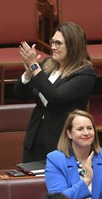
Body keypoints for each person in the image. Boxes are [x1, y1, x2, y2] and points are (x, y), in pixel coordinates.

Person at [15, 21, 96, 163]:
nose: (53, 47)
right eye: (52, 42)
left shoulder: (85, 74)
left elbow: (55, 96)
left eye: (58, 43)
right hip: (35, 138)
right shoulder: (46, 65)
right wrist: (28, 74)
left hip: (61, 141)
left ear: (72, 46)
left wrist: (34, 66)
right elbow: (19, 94)